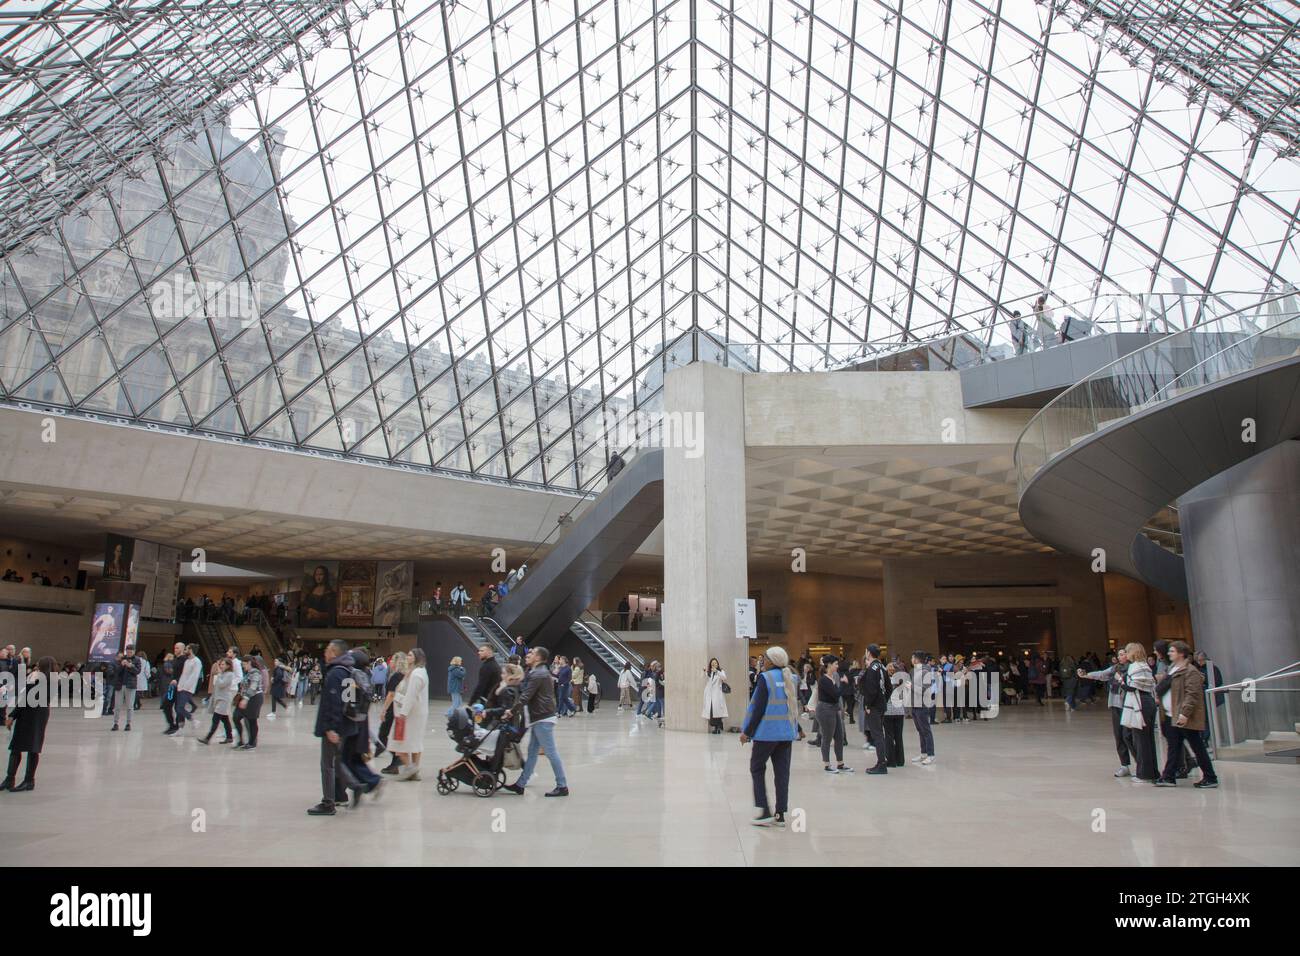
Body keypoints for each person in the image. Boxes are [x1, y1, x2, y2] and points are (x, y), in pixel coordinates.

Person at [740, 646, 803, 827]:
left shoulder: (765, 678)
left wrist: (747, 733)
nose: (762, 661)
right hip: (786, 734)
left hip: (767, 733)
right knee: (782, 773)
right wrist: (797, 727)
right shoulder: (791, 677)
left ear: (771, 661)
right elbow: (790, 706)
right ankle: (780, 814)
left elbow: (758, 709)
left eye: (764, 658)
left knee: (757, 768)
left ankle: (764, 810)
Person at [502, 646, 569, 797]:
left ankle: (562, 785)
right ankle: (520, 784)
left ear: (538, 658)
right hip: (539, 718)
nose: (528, 654)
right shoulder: (535, 672)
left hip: (542, 718)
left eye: (532, 653)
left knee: (551, 753)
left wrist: (511, 711)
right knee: (532, 753)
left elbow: (526, 696)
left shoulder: (538, 674)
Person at [308, 640, 365, 815]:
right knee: (338, 762)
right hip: (347, 723)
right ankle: (355, 786)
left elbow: (333, 703)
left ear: (334, 653)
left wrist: (330, 728)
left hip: (336, 726)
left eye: (327, 650)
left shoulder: (335, 674)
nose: (324, 652)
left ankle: (328, 803)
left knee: (327, 764)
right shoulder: (348, 671)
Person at [1155, 641, 1218, 789]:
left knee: (1197, 746)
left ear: (1181, 653)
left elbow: (1192, 694)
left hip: (1183, 716)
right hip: (1172, 715)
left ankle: (1210, 777)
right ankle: (1168, 776)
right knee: (1174, 747)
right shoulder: (1172, 669)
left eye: (1172, 651)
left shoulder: (1190, 671)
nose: (1169, 653)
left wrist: (1184, 713)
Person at [1, 655, 54, 792]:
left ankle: (24, 780)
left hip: (32, 714)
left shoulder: (41, 679)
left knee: (25, 747)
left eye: (38, 664)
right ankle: (16, 779)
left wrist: (12, 715)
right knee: (26, 747)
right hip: (36, 714)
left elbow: (27, 698)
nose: (35, 666)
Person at [1078, 648, 1133, 777]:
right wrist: (1086, 675)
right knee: (1119, 736)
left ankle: (1141, 764)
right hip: (1115, 704)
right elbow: (1102, 674)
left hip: (1129, 705)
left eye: (1123, 654)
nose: (1120, 656)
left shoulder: (1133, 669)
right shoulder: (1115, 668)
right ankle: (1124, 765)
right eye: (1119, 654)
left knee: (1129, 736)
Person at [1119, 642, 1159, 783]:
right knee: (1148, 739)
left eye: (1128, 651)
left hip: (1139, 703)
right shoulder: (1145, 666)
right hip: (1148, 702)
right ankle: (1152, 771)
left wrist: (1121, 682)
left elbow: (1132, 687)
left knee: (1141, 740)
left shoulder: (1135, 667)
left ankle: (1144, 774)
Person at [391, 647, 429, 780]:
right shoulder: (417, 672)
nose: (407, 657)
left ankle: (411, 768)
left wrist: (403, 712)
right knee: (414, 743)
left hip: (410, 714)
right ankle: (414, 770)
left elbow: (411, 695)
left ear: (417, 658)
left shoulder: (417, 674)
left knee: (402, 743)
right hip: (415, 713)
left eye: (410, 655)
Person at [814, 656, 850, 773]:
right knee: (827, 737)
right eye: (835, 664)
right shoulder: (824, 680)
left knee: (839, 736)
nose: (837, 666)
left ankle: (840, 763)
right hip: (825, 710)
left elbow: (835, 697)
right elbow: (835, 694)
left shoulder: (831, 678)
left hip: (833, 710)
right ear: (829, 665)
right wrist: (844, 684)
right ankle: (827, 765)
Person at [859, 644, 890, 774]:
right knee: (879, 734)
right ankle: (882, 761)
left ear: (869, 653)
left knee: (877, 734)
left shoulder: (872, 668)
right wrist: (884, 700)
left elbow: (871, 689)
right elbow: (889, 687)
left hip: (874, 706)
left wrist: (868, 704)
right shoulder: (882, 666)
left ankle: (881, 764)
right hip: (881, 705)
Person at [199, 658, 237, 745]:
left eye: (223, 664)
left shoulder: (230, 674)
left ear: (228, 665)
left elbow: (221, 684)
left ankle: (207, 738)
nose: (221, 666)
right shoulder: (223, 674)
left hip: (224, 700)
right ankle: (229, 737)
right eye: (220, 664)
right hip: (218, 699)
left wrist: (219, 674)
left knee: (215, 719)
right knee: (225, 719)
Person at [909, 652, 935, 765]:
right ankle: (923, 753)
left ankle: (931, 754)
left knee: (926, 730)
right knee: (920, 730)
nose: (911, 659)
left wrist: (911, 686)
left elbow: (925, 689)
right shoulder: (916, 671)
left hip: (922, 705)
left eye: (912, 657)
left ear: (917, 659)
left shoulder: (925, 671)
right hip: (915, 704)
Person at [233, 656, 264, 750]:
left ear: (249, 663)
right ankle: (241, 741)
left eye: (244, 664)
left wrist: (245, 699)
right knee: (236, 717)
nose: (243, 666)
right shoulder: (247, 673)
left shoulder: (256, 673)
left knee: (251, 720)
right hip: (245, 697)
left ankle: (252, 743)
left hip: (254, 698)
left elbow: (253, 686)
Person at [171, 644, 202, 735]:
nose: (185, 651)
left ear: (191, 650)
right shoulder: (187, 661)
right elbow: (184, 675)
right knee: (178, 708)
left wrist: (186, 686)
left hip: (188, 688)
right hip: (181, 687)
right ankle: (180, 729)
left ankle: (193, 720)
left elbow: (194, 676)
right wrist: (180, 685)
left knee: (179, 707)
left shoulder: (197, 661)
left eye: (186, 649)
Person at [883, 661, 908, 767]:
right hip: (899, 711)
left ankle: (891, 761)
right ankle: (900, 760)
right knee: (898, 736)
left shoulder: (885, 681)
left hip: (888, 711)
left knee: (889, 736)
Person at [110, 647, 140, 732]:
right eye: (128, 652)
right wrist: (121, 665)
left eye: (131, 652)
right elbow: (116, 671)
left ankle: (128, 723)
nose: (129, 653)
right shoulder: (121, 659)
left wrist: (131, 666)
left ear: (134, 652)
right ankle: (116, 723)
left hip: (130, 685)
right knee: (117, 705)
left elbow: (138, 671)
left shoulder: (137, 660)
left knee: (130, 705)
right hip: (120, 685)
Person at [702, 657, 728, 733]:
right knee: (711, 712)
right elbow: (704, 678)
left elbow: (724, 678)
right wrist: (704, 672)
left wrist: (717, 671)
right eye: (712, 663)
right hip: (710, 695)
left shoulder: (721, 671)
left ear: (717, 664)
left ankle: (718, 728)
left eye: (715, 663)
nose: (714, 664)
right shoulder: (710, 673)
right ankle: (717, 727)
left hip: (717, 695)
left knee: (717, 712)